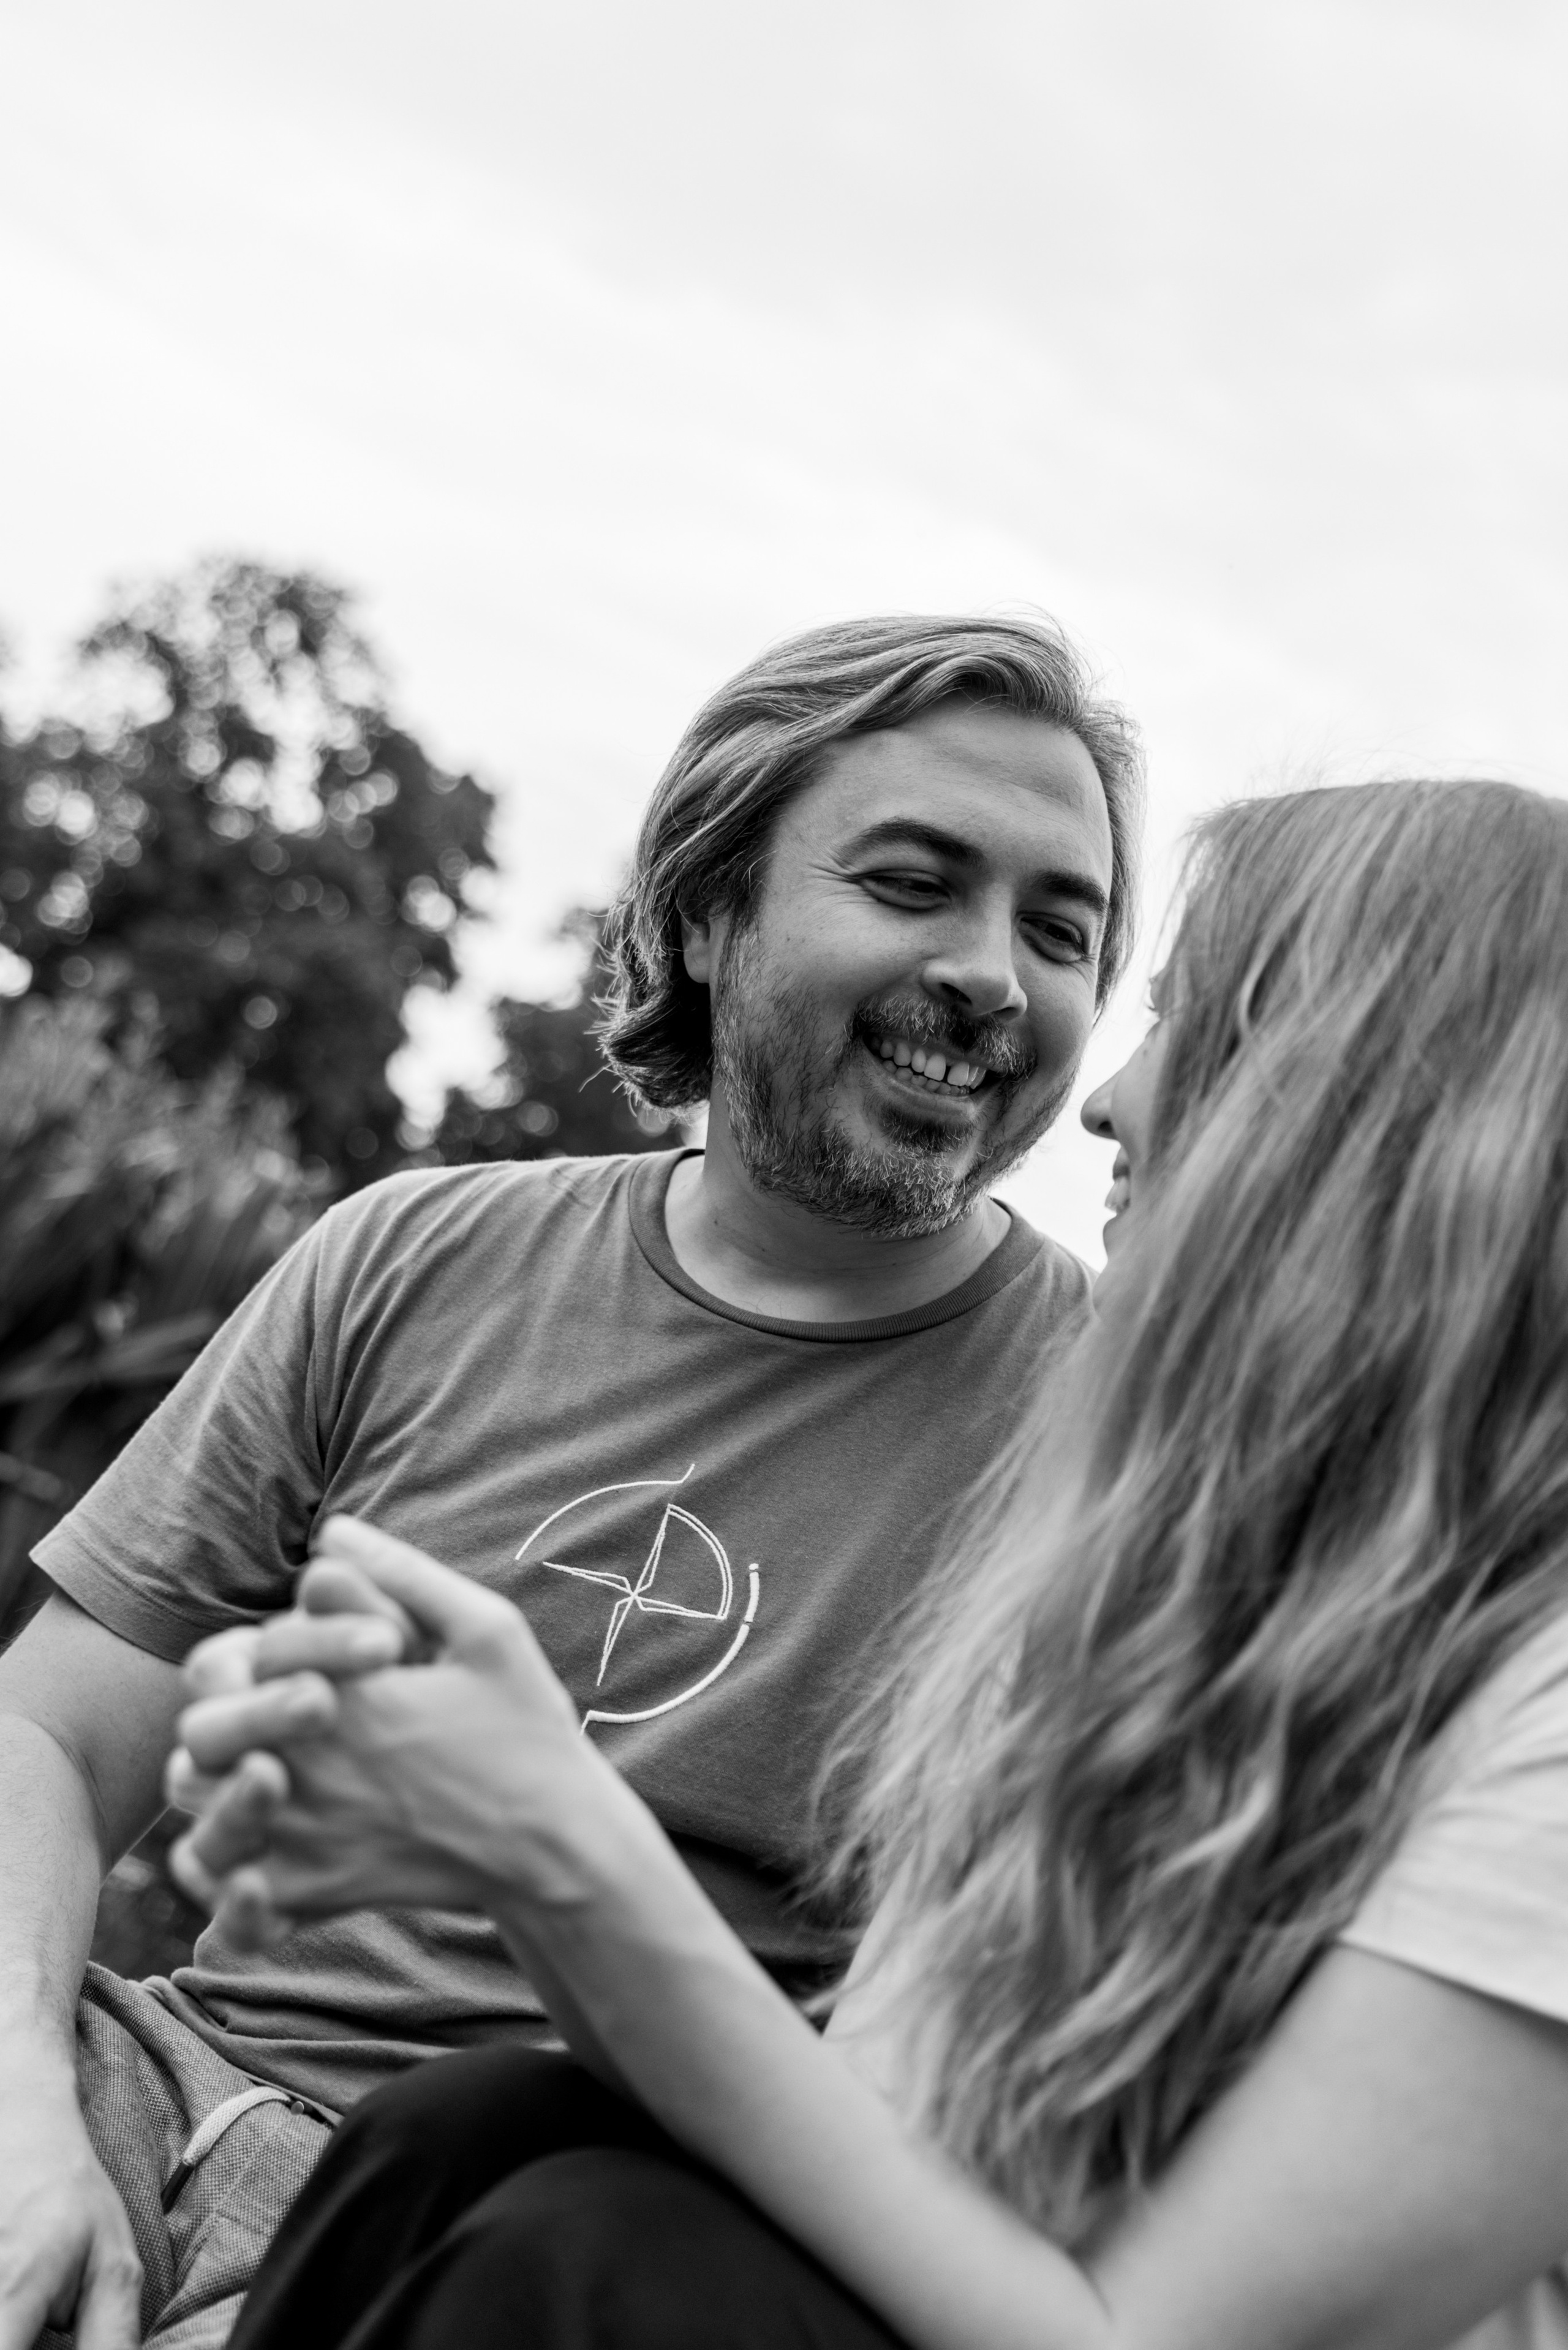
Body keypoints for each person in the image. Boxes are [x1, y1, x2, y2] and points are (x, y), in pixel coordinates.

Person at [176, 774, 1568, 2350]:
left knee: (595, 2258)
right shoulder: (1165, 1577)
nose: (1107, 1095)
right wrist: (499, 1838)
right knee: (469, 2132)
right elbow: (883, 2124)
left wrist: (565, 1852)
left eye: (1182, 1013)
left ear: (1357, 1113)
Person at [0, 613, 1142, 2350]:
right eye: (917, 883)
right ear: (706, 911)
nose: (995, 970)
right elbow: (52, 1742)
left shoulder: (1123, 1434)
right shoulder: (408, 1255)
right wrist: (23, 2117)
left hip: (566, 2227)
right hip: (158, 2075)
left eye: (1060, 927)